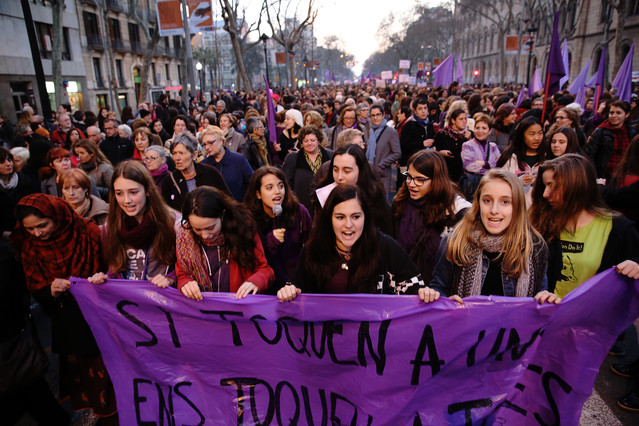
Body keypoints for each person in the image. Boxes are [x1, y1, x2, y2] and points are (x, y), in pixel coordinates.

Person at [10, 194, 117, 423]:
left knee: (106, 365)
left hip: (98, 313)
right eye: (30, 229)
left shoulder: (86, 232)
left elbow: (113, 266)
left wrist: (101, 277)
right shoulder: (29, 244)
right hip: (65, 316)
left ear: (57, 217)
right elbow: (33, 284)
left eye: (42, 225)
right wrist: (49, 288)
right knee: (80, 366)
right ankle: (91, 409)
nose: (37, 233)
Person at [424, 169, 555, 304]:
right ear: (478, 203)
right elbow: (439, 288)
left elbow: (539, 292)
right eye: (487, 200)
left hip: (515, 325)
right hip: (467, 324)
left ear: (517, 206)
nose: (494, 210)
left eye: (505, 202)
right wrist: (444, 300)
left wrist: (544, 298)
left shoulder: (534, 246)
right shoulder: (455, 241)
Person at [277, 184, 425, 301]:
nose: (349, 225)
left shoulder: (384, 246)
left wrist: (423, 293)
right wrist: (289, 291)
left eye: (355, 217)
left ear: (365, 217)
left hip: (372, 337)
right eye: (340, 217)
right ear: (330, 219)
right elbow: (298, 287)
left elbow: (413, 286)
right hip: (328, 337)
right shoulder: (315, 250)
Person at [529, 154, 639, 299]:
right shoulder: (541, 224)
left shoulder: (619, 229)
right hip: (549, 315)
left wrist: (636, 265)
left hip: (595, 318)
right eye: (544, 186)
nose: (545, 194)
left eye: (552, 185)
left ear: (576, 185)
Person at [88, 161, 178, 285]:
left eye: (133, 192)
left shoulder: (173, 222)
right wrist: (104, 278)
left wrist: (170, 278)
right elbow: (115, 268)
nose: (127, 200)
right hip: (128, 300)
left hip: (162, 298)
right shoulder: (110, 226)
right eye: (119, 193)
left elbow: (186, 268)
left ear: (147, 190)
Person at [176, 186, 274, 300]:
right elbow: (181, 272)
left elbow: (265, 270)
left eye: (211, 227)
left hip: (237, 309)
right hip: (201, 309)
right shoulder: (185, 238)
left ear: (222, 215)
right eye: (197, 229)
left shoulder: (243, 230)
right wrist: (185, 283)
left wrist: (255, 282)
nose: (205, 235)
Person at [393, 150, 471, 283]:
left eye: (419, 180)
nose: (411, 184)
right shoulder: (400, 202)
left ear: (436, 180)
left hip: (439, 288)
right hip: (404, 285)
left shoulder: (457, 211)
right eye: (409, 177)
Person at [245, 166, 312, 291]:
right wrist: (268, 241)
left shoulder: (299, 211)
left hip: (296, 285)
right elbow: (249, 258)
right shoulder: (249, 219)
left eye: (281, 186)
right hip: (267, 288)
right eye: (269, 188)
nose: (277, 192)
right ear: (258, 194)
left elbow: (311, 245)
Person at [313, 143, 391, 233]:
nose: (339, 177)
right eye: (335, 170)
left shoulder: (374, 196)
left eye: (347, 171)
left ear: (360, 171)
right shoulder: (324, 195)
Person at [162, 131, 230, 211]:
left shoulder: (210, 173)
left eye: (181, 153)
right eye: (174, 153)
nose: (177, 158)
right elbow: (165, 212)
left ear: (194, 155)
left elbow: (228, 201)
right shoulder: (169, 181)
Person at [283, 125, 333, 214]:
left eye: (312, 140)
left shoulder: (330, 156)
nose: (309, 143)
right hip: (301, 205)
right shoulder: (293, 158)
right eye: (305, 141)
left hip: (326, 205)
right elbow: (286, 182)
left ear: (318, 140)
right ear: (301, 142)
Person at [585, 100, 637, 179]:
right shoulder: (600, 131)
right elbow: (590, 155)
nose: (614, 116)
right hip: (603, 176)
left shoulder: (631, 132)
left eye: (618, 113)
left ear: (627, 115)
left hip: (623, 175)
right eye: (611, 113)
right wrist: (595, 177)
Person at [200, 126, 254, 200]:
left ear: (221, 141)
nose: (207, 147)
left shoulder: (239, 160)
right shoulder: (203, 165)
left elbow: (252, 184)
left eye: (210, 143)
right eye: (204, 144)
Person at [497, 116, 544, 192]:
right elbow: (498, 184)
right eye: (532, 134)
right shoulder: (510, 158)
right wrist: (518, 182)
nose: (537, 138)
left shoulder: (547, 157)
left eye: (540, 133)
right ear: (522, 136)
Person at [460, 113, 501, 199]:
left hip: (491, 186)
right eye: (477, 128)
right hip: (474, 186)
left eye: (484, 128)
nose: (480, 131)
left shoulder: (493, 146)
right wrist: (489, 168)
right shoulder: (467, 145)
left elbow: (499, 165)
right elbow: (469, 166)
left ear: (489, 131)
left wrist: (482, 163)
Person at [0, 147, 36, 238]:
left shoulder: (24, 181)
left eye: (9, 160)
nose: (8, 164)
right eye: (2, 162)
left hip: (25, 233)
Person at [367, 104, 401, 196]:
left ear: (383, 115)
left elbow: (397, 153)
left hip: (383, 174)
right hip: (370, 174)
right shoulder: (371, 131)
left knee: (383, 202)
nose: (375, 118)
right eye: (373, 115)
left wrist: (381, 164)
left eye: (378, 114)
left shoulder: (391, 132)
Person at [434, 108, 473, 182]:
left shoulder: (469, 133)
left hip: (464, 175)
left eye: (465, 119)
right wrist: (440, 153)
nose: (464, 121)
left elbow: (475, 153)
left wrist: (470, 139)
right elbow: (433, 151)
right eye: (461, 119)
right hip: (446, 174)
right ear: (453, 120)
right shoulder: (442, 134)